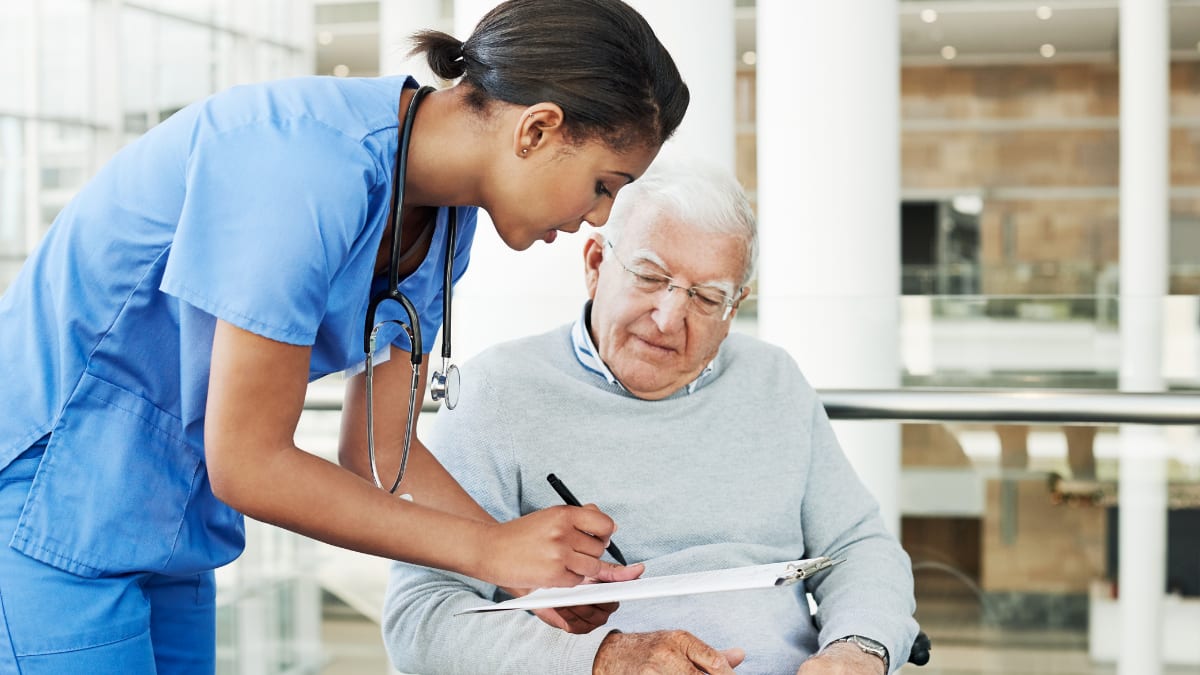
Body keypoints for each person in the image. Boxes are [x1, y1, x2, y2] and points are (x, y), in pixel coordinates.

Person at [0, 0, 688, 670]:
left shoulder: (447, 223)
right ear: (537, 130)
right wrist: (491, 552)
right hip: (51, 507)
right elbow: (248, 461)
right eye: (604, 184)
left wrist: (529, 567)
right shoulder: (298, 162)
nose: (600, 217)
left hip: (168, 525)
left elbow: (377, 449)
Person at [381, 159, 919, 675]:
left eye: (707, 298)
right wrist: (603, 661)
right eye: (647, 276)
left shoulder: (773, 378)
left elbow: (856, 547)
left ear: (734, 310)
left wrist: (858, 651)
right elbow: (420, 615)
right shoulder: (498, 390)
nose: (668, 320)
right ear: (594, 264)